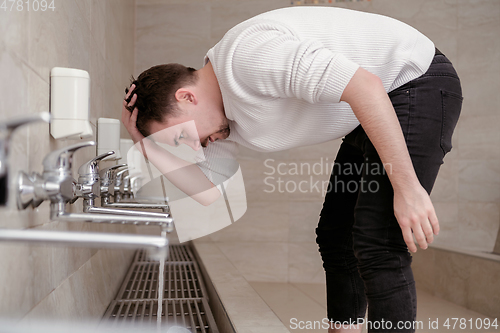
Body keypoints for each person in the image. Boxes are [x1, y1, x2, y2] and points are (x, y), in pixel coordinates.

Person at [121, 6, 462, 333]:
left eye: (182, 136)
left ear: (187, 97)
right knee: (335, 236)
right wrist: (147, 146)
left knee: (379, 240)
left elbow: (366, 87)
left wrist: (407, 188)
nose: (194, 147)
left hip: (414, 79)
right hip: (373, 106)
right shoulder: (223, 119)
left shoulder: (248, 59)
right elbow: (208, 192)